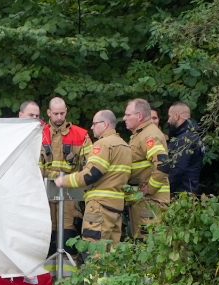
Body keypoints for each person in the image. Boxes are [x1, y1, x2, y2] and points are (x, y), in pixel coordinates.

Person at [54, 110, 131, 246]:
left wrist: (63, 181)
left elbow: (91, 174)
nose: (91, 127)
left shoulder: (103, 144)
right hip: (117, 208)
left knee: (93, 251)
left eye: (95, 124)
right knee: (111, 255)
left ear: (105, 124)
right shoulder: (125, 146)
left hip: (99, 208)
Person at [39, 97, 92, 257]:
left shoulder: (81, 135)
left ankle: (68, 278)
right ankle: (48, 279)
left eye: (62, 113)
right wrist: (58, 175)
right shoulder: (39, 135)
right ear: (48, 112)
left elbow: (90, 166)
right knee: (45, 239)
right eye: (55, 113)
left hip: (70, 198)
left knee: (68, 237)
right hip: (43, 197)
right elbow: (33, 166)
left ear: (66, 112)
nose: (59, 117)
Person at [123, 98, 170, 239]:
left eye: (127, 115)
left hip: (151, 202)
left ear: (139, 116)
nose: (124, 118)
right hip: (144, 203)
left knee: (148, 243)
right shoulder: (140, 134)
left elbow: (163, 163)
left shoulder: (149, 135)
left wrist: (150, 188)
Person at [164, 102, 204, 195]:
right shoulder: (193, 135)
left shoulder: (185, 139)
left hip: (181, 194)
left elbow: (177, 169)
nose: (168, 121)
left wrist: (163, 189)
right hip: (188, 191)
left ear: (177, 116)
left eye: (169, 116)